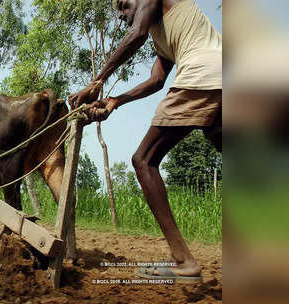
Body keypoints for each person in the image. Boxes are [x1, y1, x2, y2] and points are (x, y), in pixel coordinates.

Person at [69, 0, 221, 283]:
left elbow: (135, 34)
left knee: (144, 161)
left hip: (200, 76)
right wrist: (116, 100)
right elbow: (156, 80)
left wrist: (97, 80)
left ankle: (183, 260)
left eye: (124, 4)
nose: (120, 13)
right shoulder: (161, 33)